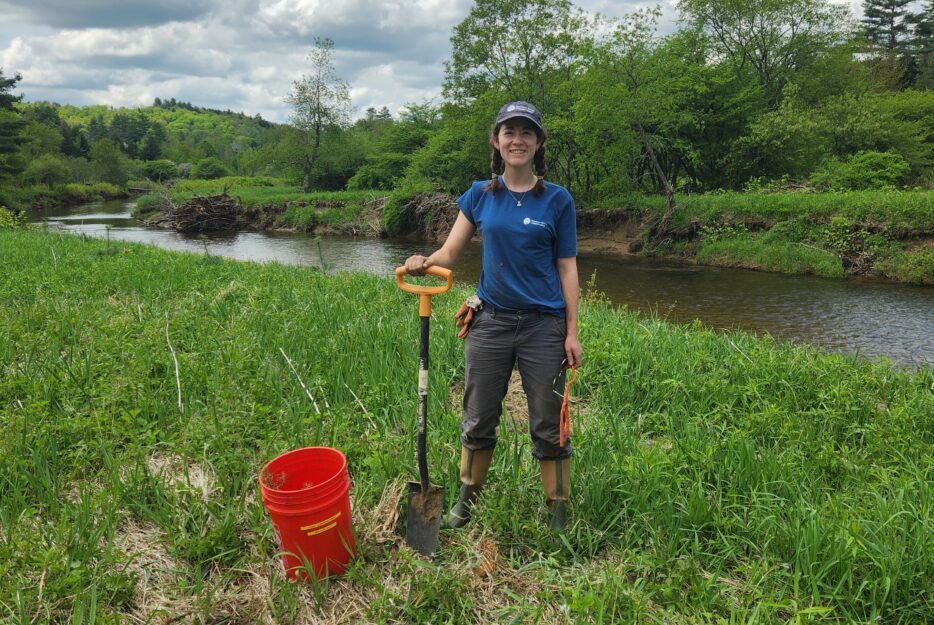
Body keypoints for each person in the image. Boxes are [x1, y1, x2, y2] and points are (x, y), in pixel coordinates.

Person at [404, 101, 582, 531]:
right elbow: (450, 251)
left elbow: (567, 267)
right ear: (496, 142)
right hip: (491, 323)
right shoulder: (479, 195)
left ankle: (557, 510)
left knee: (547, 421)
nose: (517, 139)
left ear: (538, 143)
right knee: (479, 415)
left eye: (526, 132)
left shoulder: (557, 200)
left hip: (545, 325)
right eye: (509, 132)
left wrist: (571, 331)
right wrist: (422, 261)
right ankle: (464, 503)